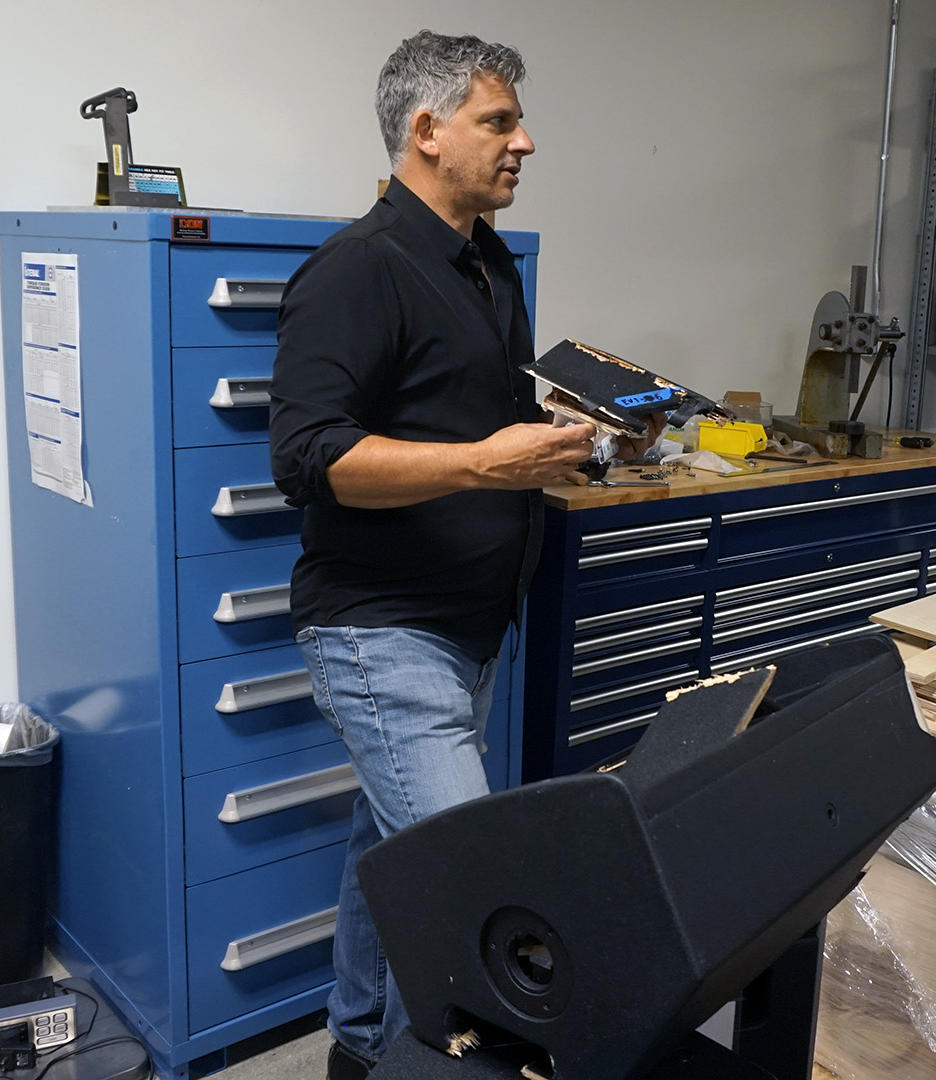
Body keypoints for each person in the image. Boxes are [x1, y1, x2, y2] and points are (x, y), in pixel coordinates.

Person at [269, 30, 592, 1079]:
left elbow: (478, 419)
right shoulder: (357, 270)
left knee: (390, 846)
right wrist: (485, 465)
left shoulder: (487, 261)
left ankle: (360, 1048)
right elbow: (310, 458)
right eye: (500, 122)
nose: (524, 143)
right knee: (470, 878)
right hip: (382, 630)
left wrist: (576, 439)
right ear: (427, 131)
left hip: (468, 628)